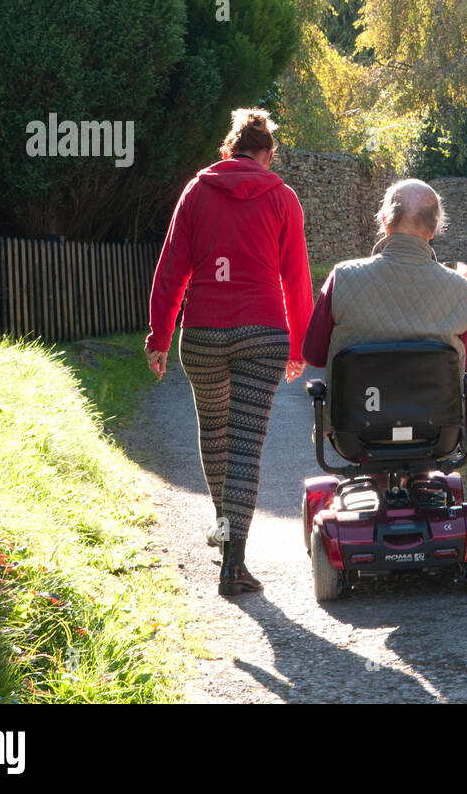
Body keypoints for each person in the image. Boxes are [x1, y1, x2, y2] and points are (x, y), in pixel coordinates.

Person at [145, 108, 312, 597]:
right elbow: (297, 279)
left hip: (202, 334)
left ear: (229, 150)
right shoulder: (282, 198)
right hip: (262, 334)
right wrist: (299, 347)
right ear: (267, 155)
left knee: (214, 436)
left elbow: (171, 268)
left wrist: (158, 337)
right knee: (245, 447)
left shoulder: (197, 191)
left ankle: (226, 538)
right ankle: (233, 564)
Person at [304, 179, 467, 435]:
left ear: (385, 222)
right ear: (433, 230)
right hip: (435, 431)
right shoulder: (460, 288)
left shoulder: (342, 277)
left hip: (356, 430)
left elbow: (314, 353)